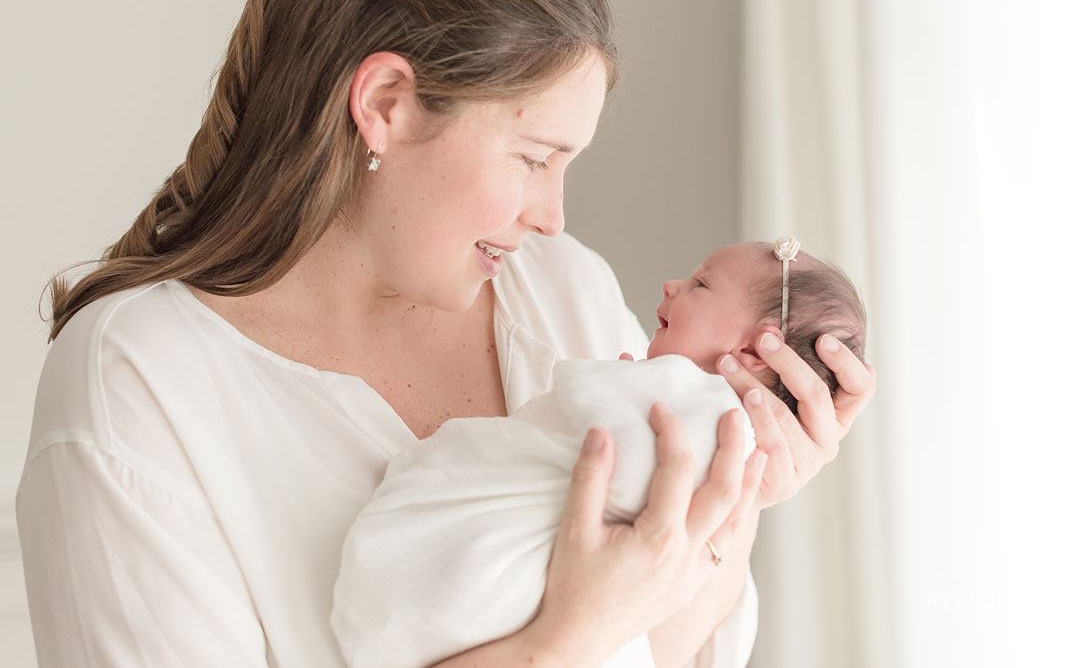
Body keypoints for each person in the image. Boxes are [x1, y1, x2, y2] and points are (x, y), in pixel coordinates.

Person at [16, 0, 875, 668]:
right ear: (385, 105)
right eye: (534, 157)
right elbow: (606, 631)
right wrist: (557, 642)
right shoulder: (137, 388)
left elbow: (665, 642)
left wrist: (742, 482)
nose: (553, 215)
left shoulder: (562, 292)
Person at [331, 240, 867, 668]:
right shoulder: (670, 385)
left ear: (753, 348)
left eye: (701, 283)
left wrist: (748, 493)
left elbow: (655, 642)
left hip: (455, 590)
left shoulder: (690, 400)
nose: (672, 285)